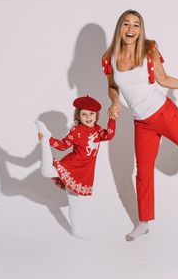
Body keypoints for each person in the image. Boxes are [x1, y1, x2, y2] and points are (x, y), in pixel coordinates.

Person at [102, 10, 178, 241]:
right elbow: (113, 86)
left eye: (136, 25)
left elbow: (163, 79)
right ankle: (143, 223)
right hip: (141, 122)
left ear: (141, 30)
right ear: (119, 28)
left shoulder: (149, 49)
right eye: (126, 24)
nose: (131, 30)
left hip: (163, 112)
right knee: (142, 173)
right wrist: (114, 101)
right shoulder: (109, 57)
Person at [34, 95, 117, 239]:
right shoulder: (77, 131)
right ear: (78, 115)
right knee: (47, 171)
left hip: (83, 172)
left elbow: (109, 135)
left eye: (91, 113)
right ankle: (45, 138)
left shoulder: (97, 130)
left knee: (75, 202)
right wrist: (49, 141)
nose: (88, 117)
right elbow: (62, 146)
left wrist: (113, 119)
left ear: (96, 115)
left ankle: (75, 231)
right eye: (84, 114)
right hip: (73, 167)